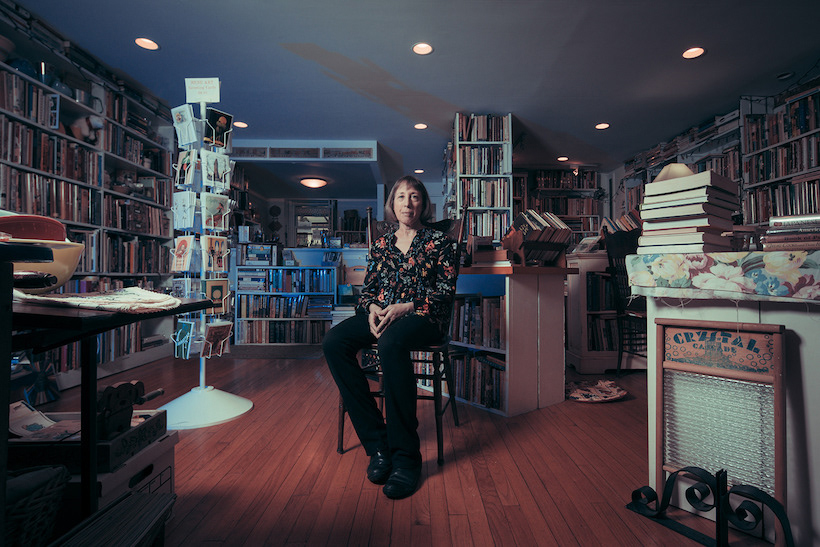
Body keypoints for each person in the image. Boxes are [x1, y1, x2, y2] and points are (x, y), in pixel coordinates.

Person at [323, 175, 458, 499]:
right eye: (401, 197)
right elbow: (366, 292)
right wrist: (370, 308)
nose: (407, 203)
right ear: (392, 204)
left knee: (390, 342)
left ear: (423, 203)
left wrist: (405, 307)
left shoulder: (441, 243)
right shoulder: (381, 245)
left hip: (423, 317)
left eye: (414, 197)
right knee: (333, 342)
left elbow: (445, 293)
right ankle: (378, 445)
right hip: (382, 315)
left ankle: (406, 458)